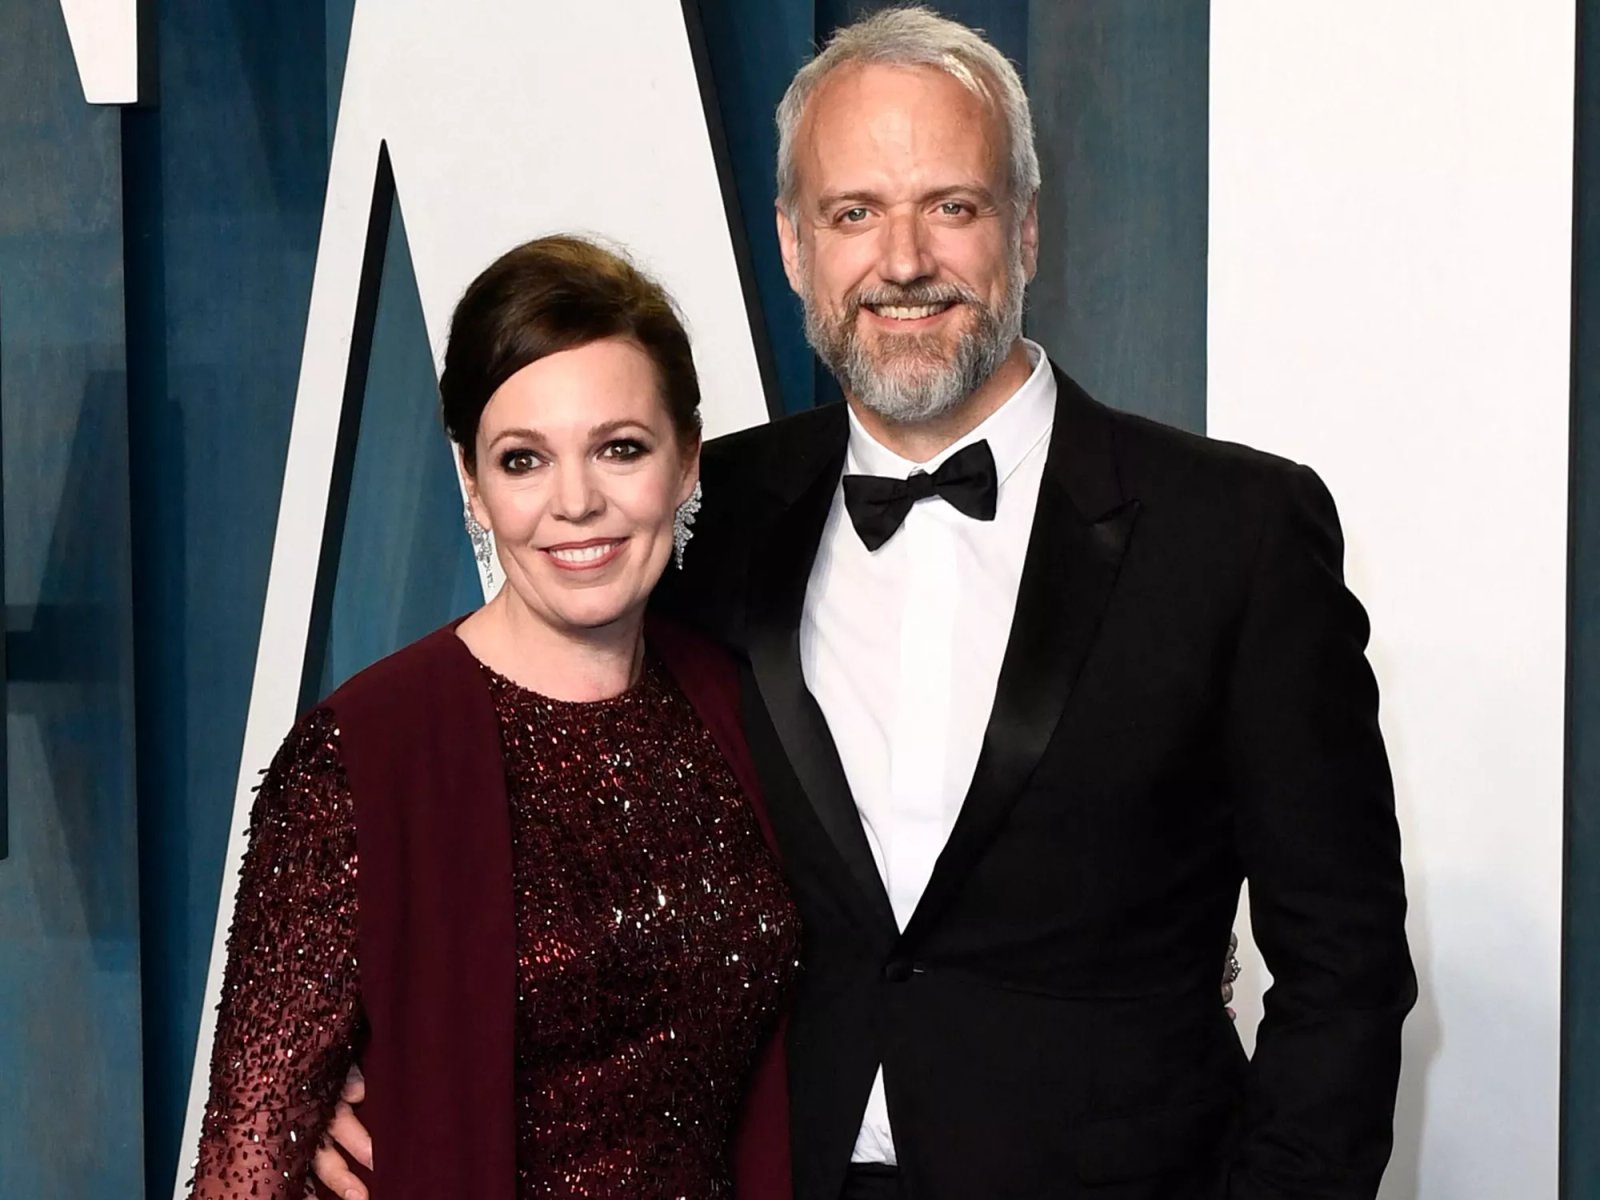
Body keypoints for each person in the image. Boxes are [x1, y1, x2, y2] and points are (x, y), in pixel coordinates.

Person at [317, 8, 1416, 1199]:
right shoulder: (699, 514)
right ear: (793, 245)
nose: (902, 259)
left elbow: (1342, 966)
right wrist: (365, 1059)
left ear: (1026, 230)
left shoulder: (1235, 534)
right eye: (853, 213)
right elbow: (531, 795)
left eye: (951, 204)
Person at [187, 235, 799, 1200]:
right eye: (524, 460)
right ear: (473, 483)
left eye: (621, 448)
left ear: (687, 462)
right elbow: (242, 1170)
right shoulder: (363, 757)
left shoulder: (738, 706)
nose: (576, 503)